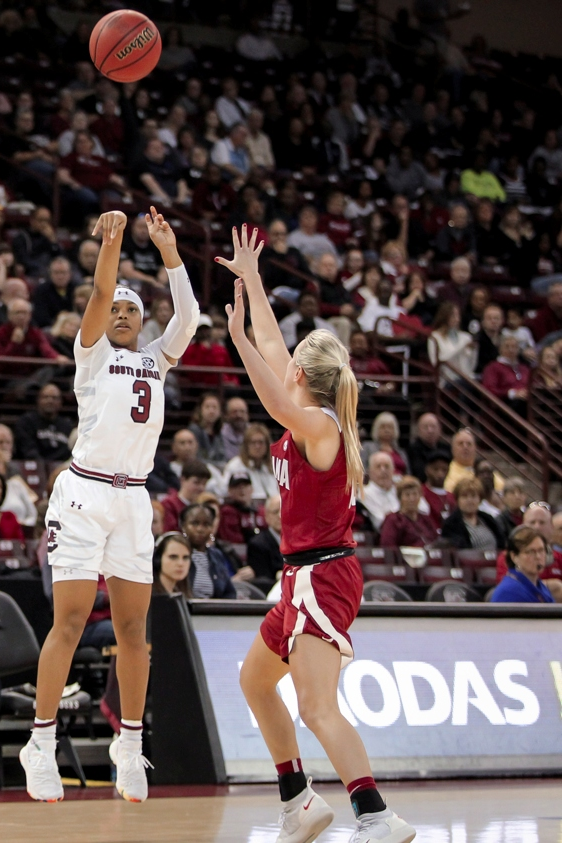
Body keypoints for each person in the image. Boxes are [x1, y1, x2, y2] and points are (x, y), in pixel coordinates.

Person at [221, 226, 416, 843]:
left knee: (317, 707)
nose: (285, 361)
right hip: (299, 576)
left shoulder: (319, 424)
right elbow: (275, 346)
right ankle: (299, 801)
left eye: (292, 363)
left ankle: (376, 816)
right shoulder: (310, 412)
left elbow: (275, 395)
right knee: (255, 680)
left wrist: (236, 341)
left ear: (305, 374)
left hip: (323, 573)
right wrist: (251, 279)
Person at [22, 207, 198, 805]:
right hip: (82, 493)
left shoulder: (156, 359)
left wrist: (170, 253)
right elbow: (101, 286)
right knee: (69, 623)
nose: (121, 314)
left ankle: (129, 740)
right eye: (116, 309)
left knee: (133, 632)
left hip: (133, 499)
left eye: (131, 310)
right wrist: (114, 241)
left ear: (143, 322)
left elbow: (192, 317)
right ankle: (40, 744)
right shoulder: (91, 353)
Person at [178, 504, 236, 598]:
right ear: (183, 525)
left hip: (213, 611)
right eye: (195, 523)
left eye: (206, 524)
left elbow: (229, 592)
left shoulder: (217, 555)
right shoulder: (177, 554)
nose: (200, 529)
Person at [488, 526, 555, 603]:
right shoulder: (509, 592)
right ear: (514, 557)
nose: (538, 556)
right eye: (530, 552)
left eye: (541, 550)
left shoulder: (540, 586)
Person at [441, 476, 505, 551]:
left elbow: (502, 545)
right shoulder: (451, 524)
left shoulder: (488, 520)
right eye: (464, 496)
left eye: (473, 496)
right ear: (457, 500)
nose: (469, 500)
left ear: (480, 499)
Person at [13, 384, 73, 462]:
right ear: (38, 400)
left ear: (60, 402)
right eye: (46, 397)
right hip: (35, 467)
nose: (50, 401)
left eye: (54, 398)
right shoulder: (26, 422)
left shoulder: (67, 426)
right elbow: (28, 450)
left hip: (62, 469)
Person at [222, 423, 279, 503]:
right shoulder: (235, 466)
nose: (257, 446)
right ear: (246, 445)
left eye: (261, 442)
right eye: (253, 442)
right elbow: (225, 492)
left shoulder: (273, 466)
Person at [379, 477, 439, 548]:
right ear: (400, 498)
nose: (412, 499)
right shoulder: (393, 520)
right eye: (407, 495)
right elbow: (388, 546)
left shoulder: (425, 519)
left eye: (415, 494)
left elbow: (436, 541)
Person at [241, 495, 284, 591]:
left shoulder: (297, 542)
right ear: (267, 516)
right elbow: (262, 580)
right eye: (275, 512)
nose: (280, 515)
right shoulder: (257, 544)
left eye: (283, 510)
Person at [360, 452, 399, 531]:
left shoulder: (400, 489)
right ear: (370, 472)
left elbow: (424, 510)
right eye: (378, 467)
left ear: (393, 471)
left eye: (387, 466)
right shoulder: (365, 494)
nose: (383, 470)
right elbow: (380, 522)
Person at [153, 532, 193, 597]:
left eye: (185, 558)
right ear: (158, 559)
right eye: (173, 557)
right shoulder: (148, 597)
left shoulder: (184, 594)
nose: (180, 563)